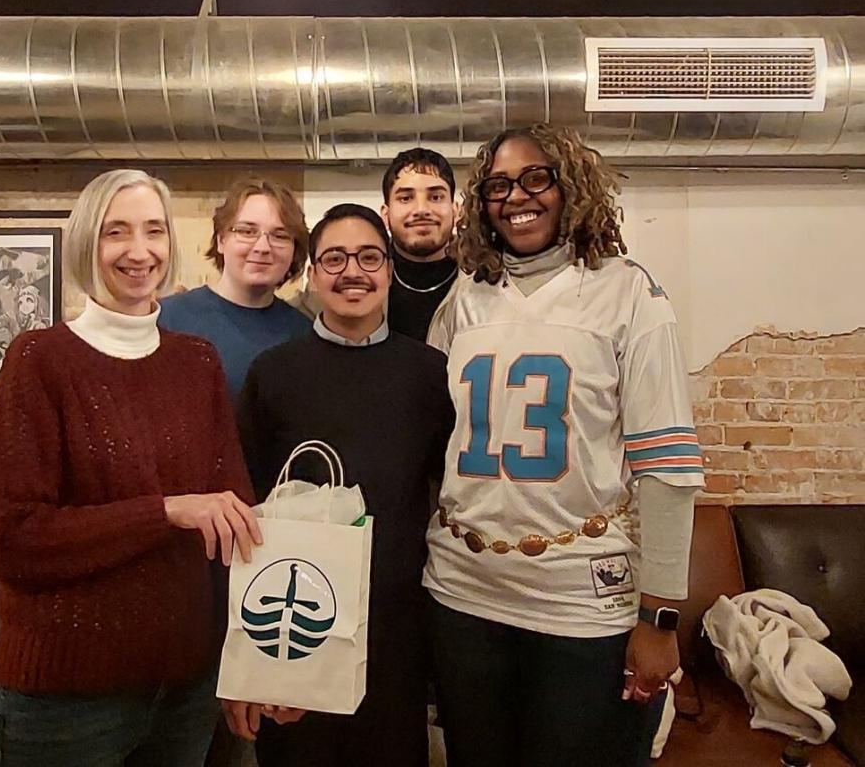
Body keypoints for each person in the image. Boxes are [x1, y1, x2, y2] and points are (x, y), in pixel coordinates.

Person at [424, 125, 705, 767]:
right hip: (462, 591)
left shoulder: (628, 291)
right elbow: (432, 441)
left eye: (536, 178)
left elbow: (667, 467)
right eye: (498, 184)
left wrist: (659, 619)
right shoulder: (465, 296)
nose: (516, 196)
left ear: (571, 186)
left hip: (580, 601)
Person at [0, 168, 261, 767]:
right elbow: (11, 541)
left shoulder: (196, 362)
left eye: (153, 231)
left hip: (184, 692)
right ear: (88, 245)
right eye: (116, 232)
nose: (139, 251)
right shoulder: (40, 361)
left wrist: (254, 667)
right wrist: (165, 512)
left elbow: (237, 528)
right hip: (65, 702)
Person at [227, 203, 456, 767]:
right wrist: (249, 662)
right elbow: (244, 507)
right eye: (334, 258)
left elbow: (446, 496)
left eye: (369, 257)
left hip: (395, 629)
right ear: (311, 272)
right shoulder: (273, 372)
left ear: (388, 270)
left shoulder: (429, 373)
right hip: (294, 626)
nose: (352, 271)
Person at [159, 177, 312, 400]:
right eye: (247, 231)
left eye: (280, 236)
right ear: (221, 240)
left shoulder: (303, 335)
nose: (262, 247)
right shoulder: (168, 319)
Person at [380, 147, 459, 342]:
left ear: (456, 211)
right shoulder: (366, 280)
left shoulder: (483, 281)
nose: (422, 209)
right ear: (385, 214)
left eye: (436, 197)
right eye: (406, 198)